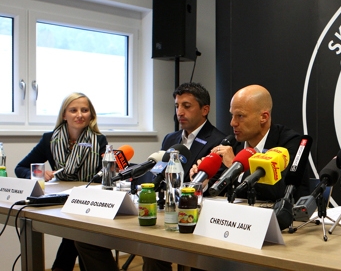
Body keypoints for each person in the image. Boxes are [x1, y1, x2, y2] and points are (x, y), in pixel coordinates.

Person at [75, 82, 227, 271]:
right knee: (86, 237)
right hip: (162, 210)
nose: (180, 112)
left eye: (186, 106)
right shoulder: (170, 139)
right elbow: (157, 173)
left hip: (192, 215)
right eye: (177, 106)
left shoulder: (219, 140)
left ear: (205, 109)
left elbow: (214, 185)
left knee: (154, 252)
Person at [15, 92, 107, 271]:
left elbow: (103, 176)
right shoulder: (49, 140)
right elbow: (21, 168)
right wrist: (39, 174)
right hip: (59, 201)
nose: (79, 115)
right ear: (64, 115)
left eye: (84, 110)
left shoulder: (99, 140)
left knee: (76, 232)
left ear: (91, 115)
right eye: (73, 110)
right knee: (77, 233)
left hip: (89, 202)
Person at [197, 84, 306, 201]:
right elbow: (218, 188)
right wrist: (204, 182)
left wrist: (234, 169)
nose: (232, 123)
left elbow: (280, 191)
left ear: (263, 117)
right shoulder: (233, 144)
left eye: (240, 116)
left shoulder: (291, 142)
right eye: (232, 115)